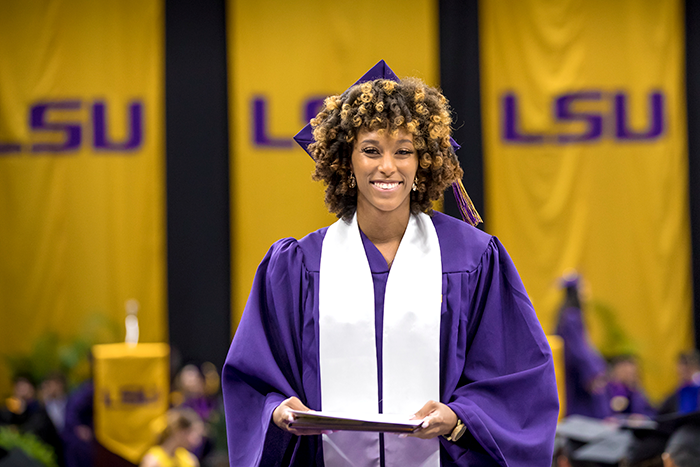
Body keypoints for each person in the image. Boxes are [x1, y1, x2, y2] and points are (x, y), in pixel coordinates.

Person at [222, 60, 559, 466]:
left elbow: (516, 378)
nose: (387, 166)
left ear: (423, 162)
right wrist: (278, 410)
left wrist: (458, 417)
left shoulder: (472, 259)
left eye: (403, 151)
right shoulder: (297, 267)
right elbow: (257, 380)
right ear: (345, 160)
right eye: (370, 150)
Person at [555, 272, 609, 419]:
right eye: (584, 288)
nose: (586, 292)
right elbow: (579, 350)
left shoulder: (565, 315)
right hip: (577, 375)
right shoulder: (572, 316)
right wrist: (594, 371)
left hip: (573, 372)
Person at [140, 408, 204, 467]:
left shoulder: (190, 460)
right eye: (194, 434)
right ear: (181, 431)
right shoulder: (153, 460)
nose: (197, 441)